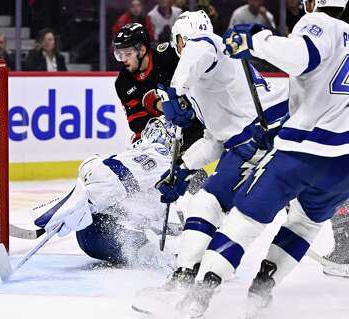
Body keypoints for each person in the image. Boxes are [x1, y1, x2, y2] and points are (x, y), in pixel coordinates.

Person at [175, 0, 349, 317]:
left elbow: (301, 57)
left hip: (303, 151)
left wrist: (256, 39)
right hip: (345, 165)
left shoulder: (321, 24)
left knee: (245, 219)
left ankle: (201, 292)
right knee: (305, 225)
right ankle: (262, 287)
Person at [131, 10, 288, 315]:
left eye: (179, 42)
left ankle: (194, 281)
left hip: (270, 132)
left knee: (243, 213)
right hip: (251, 139)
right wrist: (182, 169)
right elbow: (215, 140)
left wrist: (175, 91)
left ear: (181, 39)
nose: (179, 48)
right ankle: (186, 276)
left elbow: (201, 45)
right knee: (206, 203)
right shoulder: (208, 82)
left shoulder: (211, 46)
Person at [37, 117, 206, 265]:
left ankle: (177, 253)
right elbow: (115, 175)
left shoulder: (161, 156)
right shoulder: (162, 157)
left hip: (98, 235)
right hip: (105, 233)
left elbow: (112, 175)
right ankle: (180, 254)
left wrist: (85, 201)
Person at [113, 23, 204, 147]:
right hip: (164, 134)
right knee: (138, 144)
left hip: (195, 121)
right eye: (120, 54)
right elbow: (136, 121)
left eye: (128, 54)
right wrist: (161, 126)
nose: (123, 59)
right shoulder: (123, 82)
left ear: (142, 50)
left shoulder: (168, 57)